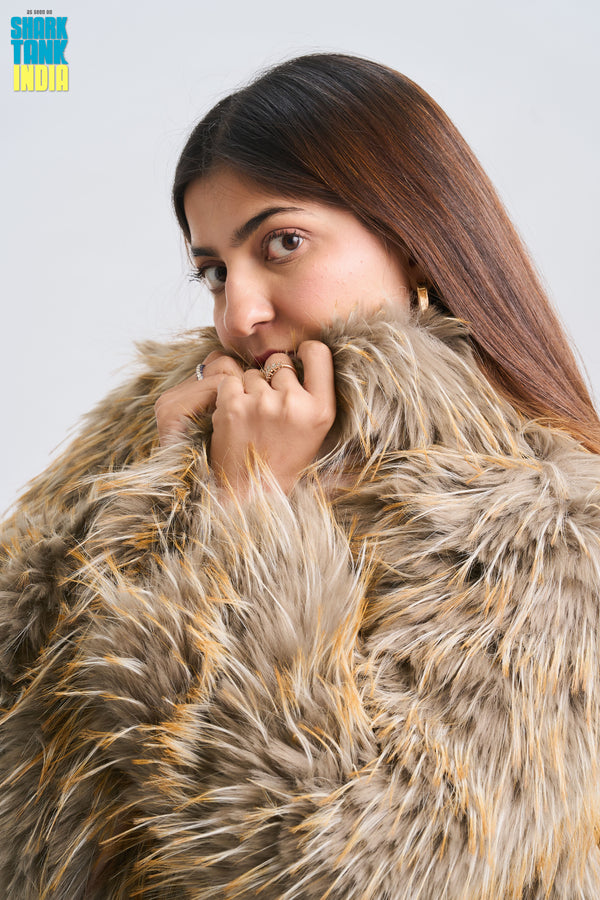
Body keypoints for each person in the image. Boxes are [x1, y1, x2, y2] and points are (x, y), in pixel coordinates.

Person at [1, 52, 600, 899]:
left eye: (282, 244)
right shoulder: (164, 431)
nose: (237, 312)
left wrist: (247, 520)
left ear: (416, 243)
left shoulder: (541, 528)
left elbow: (342, 867)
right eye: (214, 270)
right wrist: (166, 495)